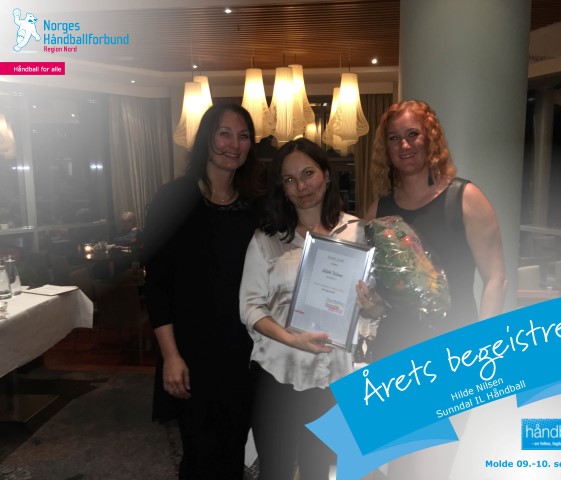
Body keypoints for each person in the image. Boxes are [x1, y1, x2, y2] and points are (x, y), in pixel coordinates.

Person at [142, 103, 265, 479]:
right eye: (224, 134)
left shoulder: (256, 205)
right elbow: (156, 284)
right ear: (206, 138)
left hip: (244, 351)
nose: (234, 145)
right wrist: (171, 357)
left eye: (243, 136)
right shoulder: (174, 198)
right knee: (198, 454)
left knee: (234, 449)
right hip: (191, 352)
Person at [239, 138, 367, 480]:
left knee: (319, 470)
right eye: (290, 179)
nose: (301, 186)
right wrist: (292, 339)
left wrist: (371, 304)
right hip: (277, 371)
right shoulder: (267, 239)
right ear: (282, 188)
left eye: (308, 173)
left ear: (326, 175)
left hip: (333, 376)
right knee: (276, 470)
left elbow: (370, 310)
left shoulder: (357, 233)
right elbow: (249, 307)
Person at [363, 99, 507, 361]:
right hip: (394, 349)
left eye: (413, 134)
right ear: (386, 148)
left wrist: (483, 347)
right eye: (394, 138)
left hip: (456, 347)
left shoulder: (466, 199)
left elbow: (496, 279)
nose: (404, 145)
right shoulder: (377, 212)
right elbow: (377, 289)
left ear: (430, 138)